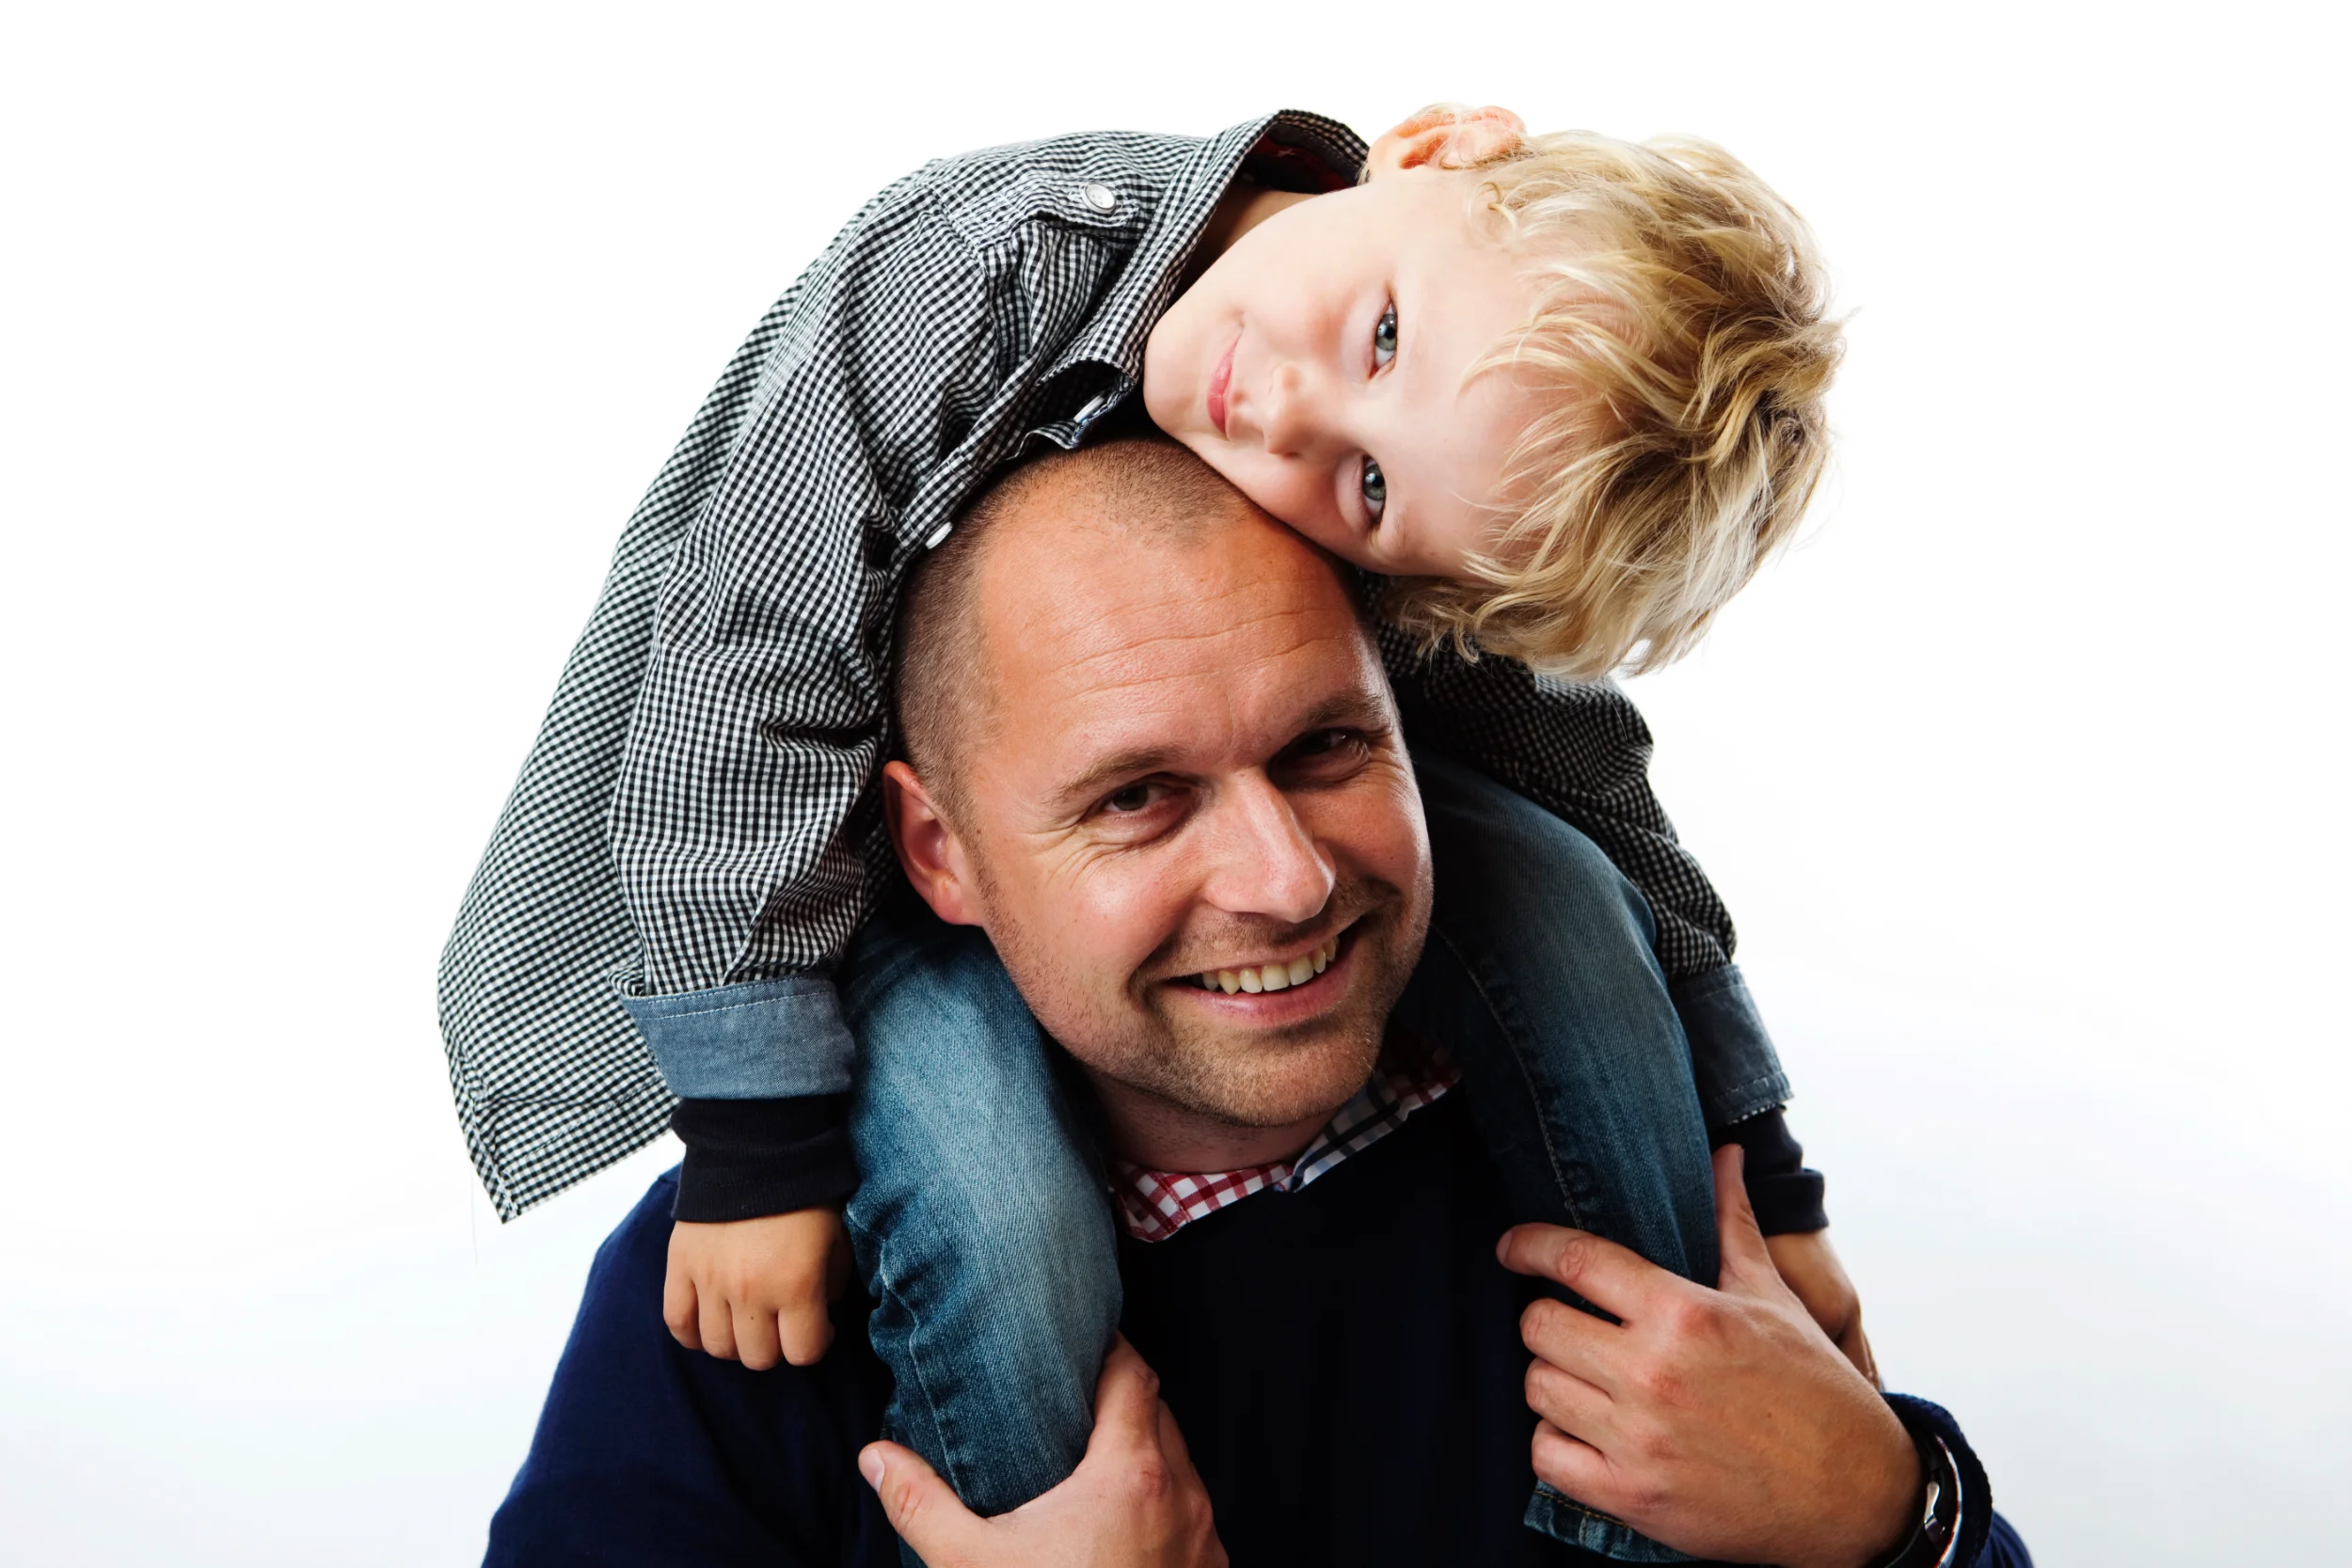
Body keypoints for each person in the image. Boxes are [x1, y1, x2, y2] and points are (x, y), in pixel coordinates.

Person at [440, 103, 1855, 1543]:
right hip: (768, 891)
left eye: (1322, 745)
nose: (1288, 414)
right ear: (1436, 148)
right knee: (986, 1184)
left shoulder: (1436, 449)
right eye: (1137, 795)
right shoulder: (980, 268)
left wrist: (1868, 1470)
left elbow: (1573, 756)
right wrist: (756, 1129)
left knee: (1566, 889)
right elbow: (744, 673)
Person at [485, 441, 2027, 1567]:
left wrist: (1900, 1516)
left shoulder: (1621, 1148)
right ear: (938, 853)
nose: (1286, 879)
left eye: (1326, 750)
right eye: (1142, 797)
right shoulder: (764, 1283)